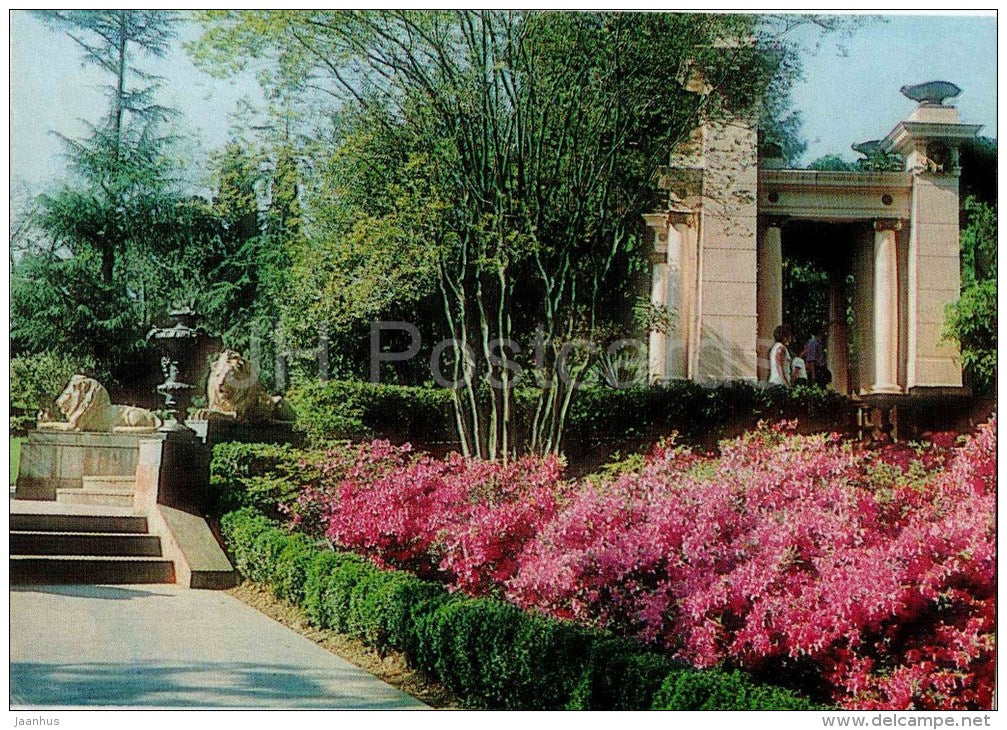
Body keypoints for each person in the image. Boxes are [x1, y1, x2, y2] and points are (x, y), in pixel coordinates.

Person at [804, 322, 831, 388]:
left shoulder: (818, 342)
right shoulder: (814, 342)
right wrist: (813, 376)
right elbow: (812, 360)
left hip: (820, 370)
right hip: (817, 371)